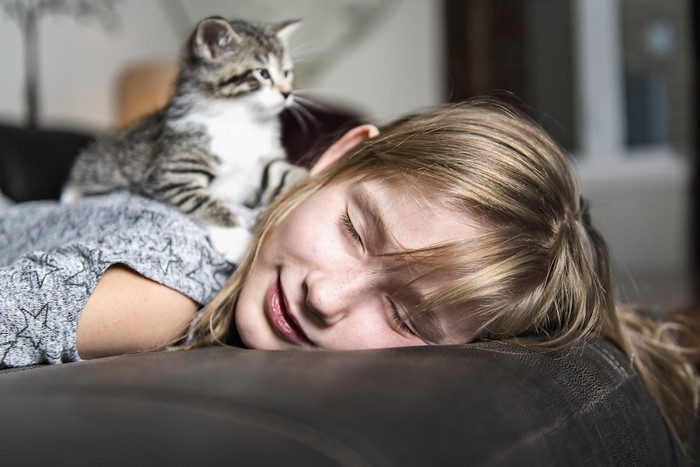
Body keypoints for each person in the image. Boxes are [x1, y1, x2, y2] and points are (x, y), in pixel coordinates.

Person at [0, 98, 697, 456]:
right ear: (336, 159)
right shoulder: (182, 258)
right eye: (355, 230)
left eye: (406, 316)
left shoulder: (173, 291)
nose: (325, 296)